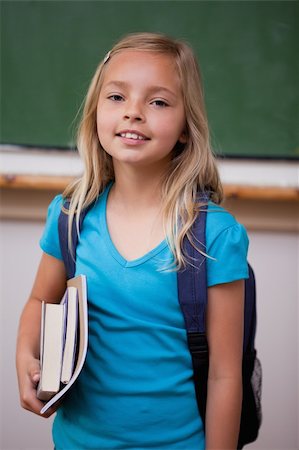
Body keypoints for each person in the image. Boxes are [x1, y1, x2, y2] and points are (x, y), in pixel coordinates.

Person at [16, 32, 249, 449]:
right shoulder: (70, 217)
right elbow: (39, 301)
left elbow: (225, 375)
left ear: (184, 127)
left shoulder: (216, 235)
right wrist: (24, 356)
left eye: (158, 102)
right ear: (95, 113)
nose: (134, 113)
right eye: (117, 97)